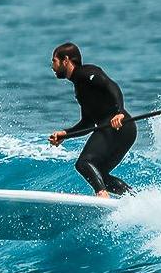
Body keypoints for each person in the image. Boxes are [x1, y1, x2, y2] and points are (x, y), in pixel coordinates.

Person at [48, 42, 136, 198]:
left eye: (54, 61)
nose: (52, 66)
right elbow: (87, 123)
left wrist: (119, 112)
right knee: (98, 173)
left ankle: (102, 196)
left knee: (84, 163)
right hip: (124, 129)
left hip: (118, 125)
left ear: (66, 60)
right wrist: (66, 134)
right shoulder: (79, 87)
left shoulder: (86, 73)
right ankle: (135, 200)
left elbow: (112, 86)